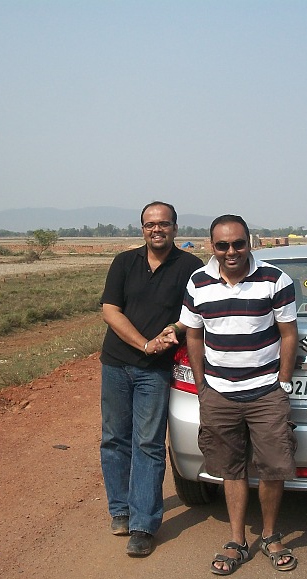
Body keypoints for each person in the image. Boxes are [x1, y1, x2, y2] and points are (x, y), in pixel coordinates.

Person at [178, 214, 299, 575]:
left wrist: (284, 383)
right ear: (210, 246)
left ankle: (271, 536)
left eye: (238, 244)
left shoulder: (276, 280)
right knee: (230, 469)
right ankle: (236, 541)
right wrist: (202, 387)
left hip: (266, 393)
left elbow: (288, 334)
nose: (231, 252)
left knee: (273, 467)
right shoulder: (198, 282)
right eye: (222, 245)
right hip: (218, 393)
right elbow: (193, 336)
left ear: (251, 242)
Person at [99, 201, 203, 557]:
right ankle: (121, 510)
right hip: (116, 363)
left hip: (156, 370)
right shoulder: (124, 262)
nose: (156, 230)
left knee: (149, 444)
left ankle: (143, 525)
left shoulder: (191, 267)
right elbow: (110, 310)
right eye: (149, 224)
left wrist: (171, 331)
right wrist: (143, 343)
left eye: (163, 224)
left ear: (175, 227)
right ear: (142, 228)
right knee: (114, 438)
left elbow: (194, 314)